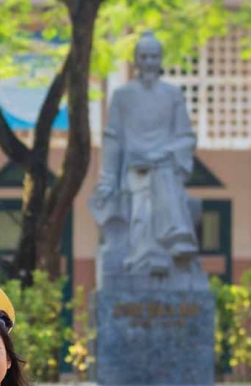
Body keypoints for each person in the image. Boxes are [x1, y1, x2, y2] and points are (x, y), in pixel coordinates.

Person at [89, 30, 199, 277]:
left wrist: (164, 153)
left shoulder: (173, 95)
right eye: (144, 57)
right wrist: (108, 179)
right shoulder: (123, 96)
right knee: (144, 201)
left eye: (154, 57)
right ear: (136, 60)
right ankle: (164, 244)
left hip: (166, 165)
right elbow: (113, 138)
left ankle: (166, 248)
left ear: (160, 60)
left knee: (161, 177)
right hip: (134, 169)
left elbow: (185, 137)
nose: (149, 62)